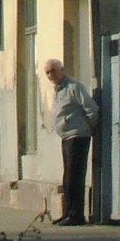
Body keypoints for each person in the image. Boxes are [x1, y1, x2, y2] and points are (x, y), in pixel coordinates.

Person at [42, 58, 98, 224]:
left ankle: (76, 215)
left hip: (77, 136)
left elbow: (91, 108)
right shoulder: (58, 90)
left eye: (53, 71)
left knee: (74, 176)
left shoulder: (74, 87)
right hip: (66, 136)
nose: (50, 75)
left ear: (62, 70)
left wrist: (86, 127)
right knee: (68, 177)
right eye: (47, 72)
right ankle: (68, 213)